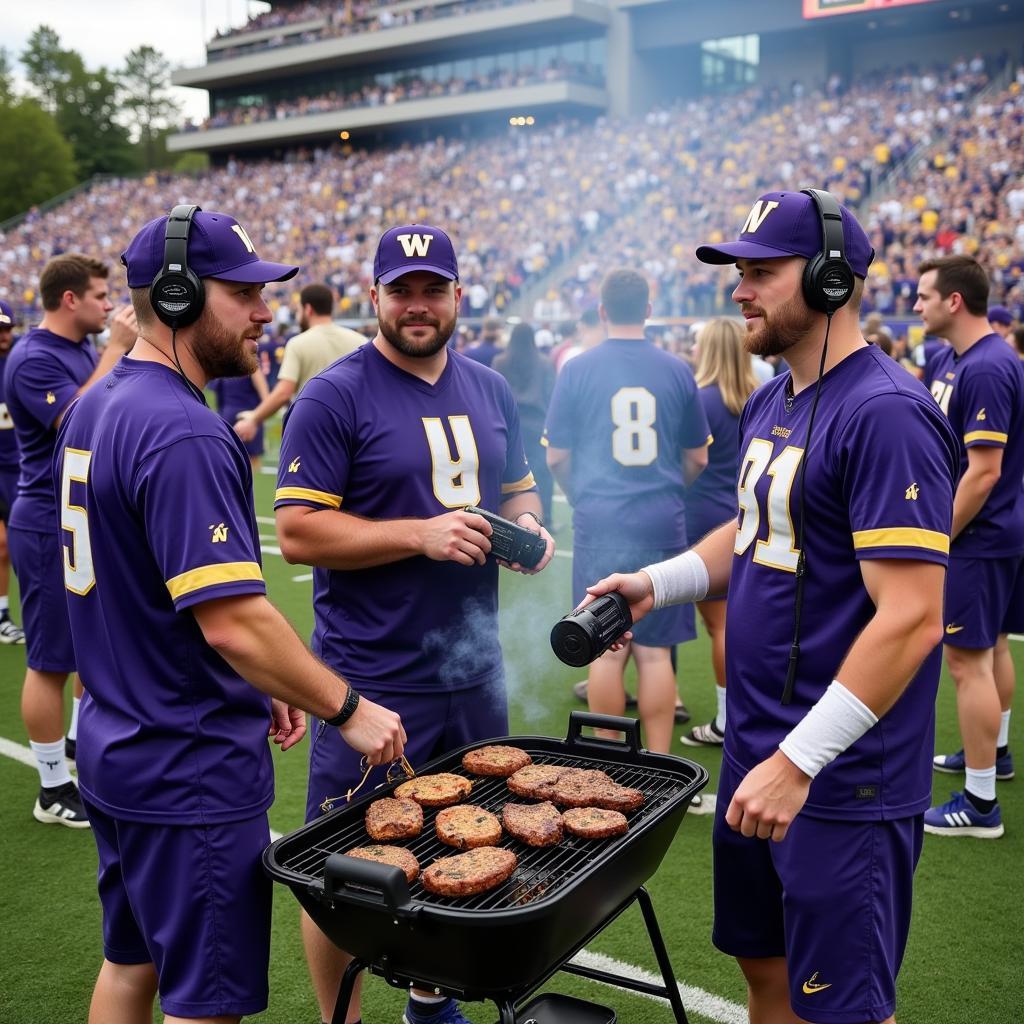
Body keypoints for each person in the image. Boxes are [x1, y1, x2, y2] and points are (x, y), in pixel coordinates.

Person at [583, 190, 958, 1024]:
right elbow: (752, 532)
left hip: (838, 773)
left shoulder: (888, 413)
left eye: (760, 272)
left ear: (830, 278)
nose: (739, 290)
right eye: (738, 272)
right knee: (766, 975)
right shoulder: (773, 396)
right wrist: (659, 582)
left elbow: (912, 617)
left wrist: (800, 761)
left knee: (842, 1007)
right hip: (760, 745)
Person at [54, 206, 405, 1024]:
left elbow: (152, 588)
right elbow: (235, 622)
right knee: (204, 1004)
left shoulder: (99, 405)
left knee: (130, 967)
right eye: (242, 291)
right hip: (189, 769)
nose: (263, 311)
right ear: (177, 295)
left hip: (115, 741)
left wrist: (253, 677)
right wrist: (345, 708)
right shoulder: (182, 429)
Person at [273, 222, 553, 1024]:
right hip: (372, 677)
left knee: (467, 841)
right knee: (343, 867)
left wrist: (528, 531)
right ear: (375, 298)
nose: (419, 305)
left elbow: (520, 492)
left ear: (460, 296)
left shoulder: (492, 387)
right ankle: (344, 1020)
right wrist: (417, 532)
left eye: (434, 289)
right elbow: (296, 532)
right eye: (402, 290)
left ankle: (431, 999)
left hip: (475, 672)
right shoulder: (336, 392)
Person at [544, 268, 710, 756]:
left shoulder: (576, 367)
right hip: (661, 520)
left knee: (604, 648)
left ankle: (607, 767)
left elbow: (556, 457)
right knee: (656, 653)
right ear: (650, 311)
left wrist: (583, 498)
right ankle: (658, 767)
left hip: (601, 521)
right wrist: (667, 492)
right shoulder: (677, 368)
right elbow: (698, 457)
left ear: (601, 311)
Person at [5, 253, 138, 826]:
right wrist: (114, 353)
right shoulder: (32, 356)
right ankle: (52, 786)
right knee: (51, 659)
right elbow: (75, 421)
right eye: (102, 296)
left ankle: (83, 747)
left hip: (80, 515)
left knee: (92, 644)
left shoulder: (78, 349)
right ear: (70, 299)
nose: (110, 306)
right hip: (43, 518)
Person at [915, 256, 1024, 838]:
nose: (916, 305)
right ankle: (995, 753)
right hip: (996, 532)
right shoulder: (955, 358)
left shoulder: (986, 365)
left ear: (954, 301)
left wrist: (938, 536)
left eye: (925, 295)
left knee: (968, 661)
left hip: (980, 535)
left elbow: (982, 472)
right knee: (993, 647)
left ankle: (981, 804)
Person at [680, 318, 758, 748]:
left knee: (721, 627)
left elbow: (688, 462)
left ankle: (729, 720)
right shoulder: (761, 396)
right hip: (749, 515)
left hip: (706, 520)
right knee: (742, 622)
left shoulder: (703, 400)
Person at [234, 282, 363, 443]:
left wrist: (254, 418)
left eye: (299, 310)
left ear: (308, 309)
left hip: (314, 431)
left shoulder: (298, 343)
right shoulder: (360, 342)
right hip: (356, 429)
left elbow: (284, 392)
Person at [493, 322, 556, 526]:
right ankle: (543, 519)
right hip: (537, 423)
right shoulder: (544, 362)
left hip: (507, 423)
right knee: (542, 474)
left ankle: (505, 520)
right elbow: (550, 395)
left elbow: (494, 396)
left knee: (507, 474)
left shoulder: (500, 361)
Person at [0, 299, 25, 643]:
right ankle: (3, 613)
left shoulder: (21, 362)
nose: (3, 335)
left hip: (19, 467)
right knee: (3, 543)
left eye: (6, 328)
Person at [211, 367, 269, 469]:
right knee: (249, 463)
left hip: (230, 418)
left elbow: (218, 399)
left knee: (230, 462)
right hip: (246, 419)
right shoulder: (251, 367)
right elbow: (266, 398)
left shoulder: (223, 366)